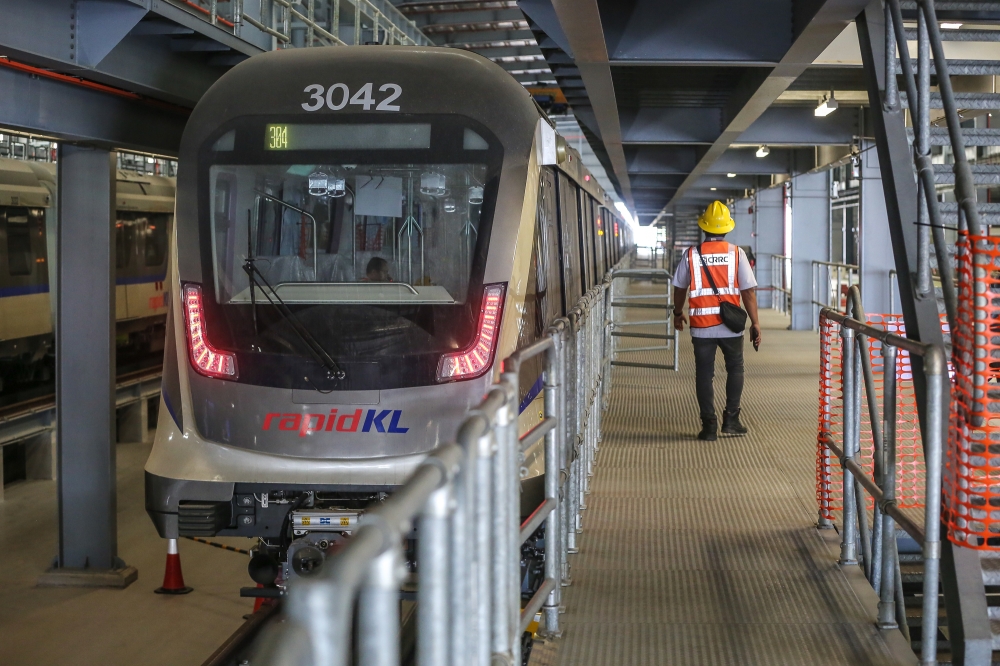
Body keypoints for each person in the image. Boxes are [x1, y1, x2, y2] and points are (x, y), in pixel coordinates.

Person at [672, 201, 762, 441]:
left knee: (704, 374)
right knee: (735, 368)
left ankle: (709, 426)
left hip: (701, 327)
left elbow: (680, 288)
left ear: (704, 227)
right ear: (727, 228)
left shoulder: (691, 254)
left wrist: (677, 312)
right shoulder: (736, 253)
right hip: (731, 326)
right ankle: (731, 420)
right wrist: (755, 322)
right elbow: (748, 291)